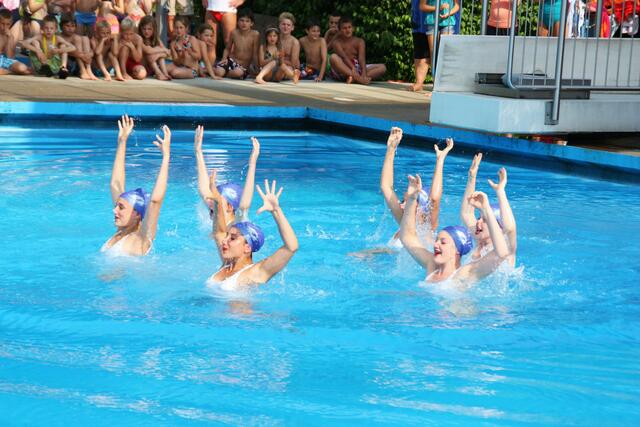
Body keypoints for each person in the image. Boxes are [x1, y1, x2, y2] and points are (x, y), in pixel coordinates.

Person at [349, 128, 452, 259]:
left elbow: (435, 199)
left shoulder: (427, 228)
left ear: (422, 208)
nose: (402, 205)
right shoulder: (404, 221)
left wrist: (440, 160)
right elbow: (386, 187)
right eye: (403, 201)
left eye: (408, 202)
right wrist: (391, 149)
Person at [400, 175, 511, 286]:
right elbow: (407, 237)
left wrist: (486, 209)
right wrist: (412, 199)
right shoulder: (432, 265)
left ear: (457, 250)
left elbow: (501, 254)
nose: (436, 244)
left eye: (443, 242)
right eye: (437, 240)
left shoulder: (464, 274)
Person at [207, 179, 298, 289]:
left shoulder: (255, 273)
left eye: (232, 238)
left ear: (247, 247)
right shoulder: (227, 264)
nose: (224, 240)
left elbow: (291, 247)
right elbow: (219, 232)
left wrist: (276, 211)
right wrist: (217, 200)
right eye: (227, 236)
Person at [103, 115, 171, 256]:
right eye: (117, 206)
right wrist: (122, 142)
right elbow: (115, 184)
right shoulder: (121, 231)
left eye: (121, 207)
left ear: (137, 215)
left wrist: (166, 157)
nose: (114, 210)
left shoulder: (141, 239)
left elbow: (155, 201)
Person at [194, 125, 259, 237]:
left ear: (229, 207)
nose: (210, 202)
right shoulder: (216, 213)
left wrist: (252, 164)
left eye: (216, 199)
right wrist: (198, 152)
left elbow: (244, 205)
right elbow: (204, 192)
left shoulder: (236, 226)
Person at [460, 154, 517, 266]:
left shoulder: (506, 248)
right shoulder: (479, 239)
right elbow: (467, 213)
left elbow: (510, 228)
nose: (478, 222)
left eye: (485, 220)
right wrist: (471, 177)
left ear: (500, 227)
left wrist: (500, 191)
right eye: (479, 218)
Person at [330, 16, 386, 84]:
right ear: (340, 30)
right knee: (333, 57)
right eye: (344, 28)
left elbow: (361, 59)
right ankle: (358, 78)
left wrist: (364, 73)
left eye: (349, 27)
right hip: (343, 70)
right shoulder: (336, 42)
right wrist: (353, 69)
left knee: (382, 67)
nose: (347, 30)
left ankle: (355, 79)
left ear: (353, 28)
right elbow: (344, 57)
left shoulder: (359, 41)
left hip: (356, 68)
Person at [214, 7, 258, 80]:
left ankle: (222, 72)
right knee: (219, 72)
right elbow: (227, 48)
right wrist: (224, 58)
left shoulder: (255, 34)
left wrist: (257, 68)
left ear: (251, 23)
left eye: (247, 21)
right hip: (231, 61)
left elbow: (255, 53)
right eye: (242, 20)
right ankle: (210, 70)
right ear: (237, 22)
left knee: (238, 73)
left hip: (243, 66)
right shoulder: (234, 33)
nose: (244, 23)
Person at [420, 0, 460, 67]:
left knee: (446, 53)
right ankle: (434, 73)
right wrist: (438, 8)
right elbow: (422, 6)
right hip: (432, 22)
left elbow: (457, 6)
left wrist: (449, 13)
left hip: (448, 23)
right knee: (434, 53)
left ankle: (446, 73)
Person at [60, 13, 97, 80]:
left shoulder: (76, 37)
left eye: (73, 26)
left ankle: (88, 69)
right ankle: (82, 70)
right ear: (61, 26)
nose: (70, 29)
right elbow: (66, 51)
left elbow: (91, 50)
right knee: (75, 43)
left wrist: (89, 54)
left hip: (79, 62)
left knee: (85, 38)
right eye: (67, 26)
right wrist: (82, 56)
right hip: (66, 65)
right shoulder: (59, 37)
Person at [138, 14, 172, 80]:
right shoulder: (139, 39)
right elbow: (148, 51)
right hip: (142, 67)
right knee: (150, 55)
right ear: (140, 29)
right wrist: (162, 50)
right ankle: (159, 74)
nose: (146, 31)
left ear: (154, 29)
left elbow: (168, 53)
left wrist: (158, 54)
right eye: (144, 29)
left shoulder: (156, 39)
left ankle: (165, 73)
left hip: (151, 68)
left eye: (149, 29)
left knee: (160, 56)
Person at [0, 8, 30, 75]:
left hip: (4, 60)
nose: (5, 27)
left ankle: (5, 71)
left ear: (11, 23)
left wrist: (9, 38)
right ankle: (8, 71)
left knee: (22, 68)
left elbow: (10, 57)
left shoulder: (10, 36)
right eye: (2, 24)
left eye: (7, 24)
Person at [409, 0, 429, 92]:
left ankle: (438, 86)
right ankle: (419, 82)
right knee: (419, 51)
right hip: (418, 17)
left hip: (438, 20)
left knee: (438, 53)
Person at [277, 11, 300, 83]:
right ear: (279, 25)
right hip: (275, 64)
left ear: (292, 28)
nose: (285, 27)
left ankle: (293, 76)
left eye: (288, 25)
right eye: (283, 24)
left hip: (288, 67)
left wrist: (280, 60)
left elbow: (293, 64)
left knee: (286, 69)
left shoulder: (294, 42)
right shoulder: (274, 38)